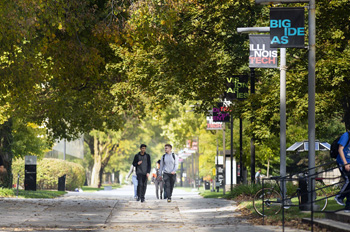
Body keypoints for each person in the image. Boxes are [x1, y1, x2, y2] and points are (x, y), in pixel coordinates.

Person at [335, 131, 350, 213]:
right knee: (348, 180)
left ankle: (348, 206)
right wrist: (345, 163)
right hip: (342, 162)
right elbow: (340, 149)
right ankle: (339, 196)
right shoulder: (346, 135)